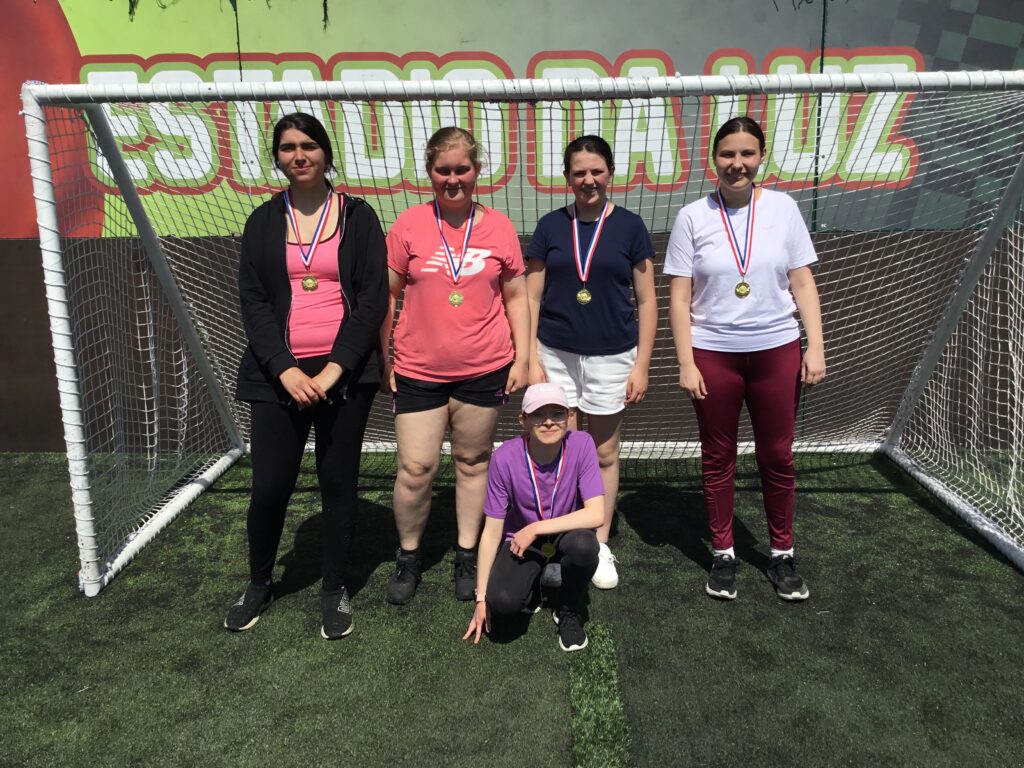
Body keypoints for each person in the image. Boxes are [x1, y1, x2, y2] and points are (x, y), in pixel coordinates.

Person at [225, 112, 388, 639]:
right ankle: (258, 582)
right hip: (280, 378)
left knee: (338, 484)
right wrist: (286, 369)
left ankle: (334, 587)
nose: (300, 155)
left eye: (310, 146)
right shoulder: (262, 221)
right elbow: (254, 302)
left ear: (326, 153)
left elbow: (371, 300)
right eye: (289, 147)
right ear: (277, 157)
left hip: (345, 377)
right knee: (270, 486)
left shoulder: (359, 217)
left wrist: (337, 368)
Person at [665, 116, 825, 602]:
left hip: (776, 349)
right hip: (714, 354)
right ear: (713, 159)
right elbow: (677, 296)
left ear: (761, 157)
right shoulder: (693, 216)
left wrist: (815, 345)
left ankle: (781, 553)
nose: (737, 164)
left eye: (747, 154)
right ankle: (723, 553)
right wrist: (686, 361)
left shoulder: (782, 208)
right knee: (718, 457)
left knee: (777, 456)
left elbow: (801, 282)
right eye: (728, 154)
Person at [382, 126, 530, 605]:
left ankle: (467, 554)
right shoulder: (408, 225)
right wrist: (385, 356)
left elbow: (516, 295)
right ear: (430, 172)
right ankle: (409, 556)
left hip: (484, 365)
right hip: (419, 369)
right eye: (443, 170)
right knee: (415, 468)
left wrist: (523, 357)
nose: (453, 179)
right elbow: (387, 293)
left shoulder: (500, 227)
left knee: (472, 462)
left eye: (461, 169)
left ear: (477, 170)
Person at [525, 135, 657, 590]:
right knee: (561, 449)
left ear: (610, 173)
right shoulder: (549, 225)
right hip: (555, 354)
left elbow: (647, 299)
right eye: (579, 172)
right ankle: (563, 537)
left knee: (602, 452)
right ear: (566, 178)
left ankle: (598, 543)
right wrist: (528, 357)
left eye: (596, 171)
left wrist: (641, 365)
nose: (588, 180)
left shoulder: (630, 226)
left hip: (612, 356)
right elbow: (532, 294)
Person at [463, 383, 603, 652]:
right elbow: (491, 532)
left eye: (557, 413)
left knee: (585, 547)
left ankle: (568, 609)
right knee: (502, 601)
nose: (549, 421)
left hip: (565, 535)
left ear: (569, 417)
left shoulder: (582, 444)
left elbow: (596, 514)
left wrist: (536, 527)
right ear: (523, 420)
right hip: (522, 541)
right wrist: (481, 599)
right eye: (539, 414)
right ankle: (541, 583)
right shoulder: (504, 457)